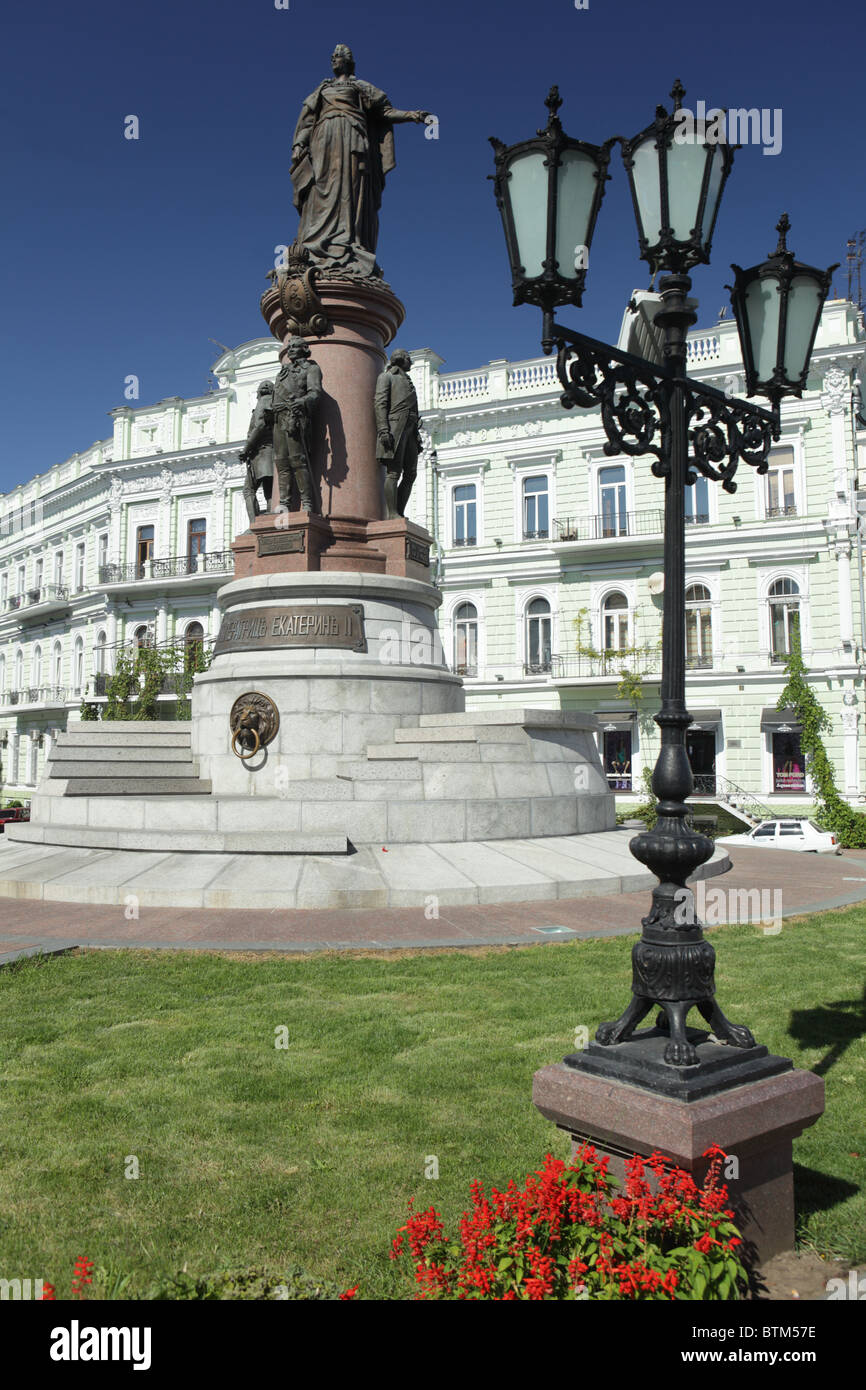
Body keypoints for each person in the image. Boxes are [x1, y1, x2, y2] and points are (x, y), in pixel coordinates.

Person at [291, 44, 429, 279]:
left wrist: (412, 115)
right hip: (323, 142)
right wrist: (299, 144)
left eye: (340, 56)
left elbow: (384, 112)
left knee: (351, 192)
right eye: (332, 56)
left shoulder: (360, 87)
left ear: (349, 62)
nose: (335, 59)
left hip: (353, 142)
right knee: (320, 191)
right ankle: (317, 247)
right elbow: (307, 120)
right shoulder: (323, 88)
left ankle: (347, 243)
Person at [271, 337, 322, 512]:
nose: (290, 349)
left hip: (296, 417)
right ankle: (284, 503)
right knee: (281, 462)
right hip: (279, 419)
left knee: (297, 460)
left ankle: (307, 502)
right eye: (289, 346)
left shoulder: (311, 368)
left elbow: (315, 393)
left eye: (295, 346)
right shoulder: (282, 372)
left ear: (304, 349)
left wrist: (301, 402)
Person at [374, 349, 422, 518]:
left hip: (411, 429)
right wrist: (383, 430)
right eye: (409, 358)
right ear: (400, 359)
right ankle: (393, 513)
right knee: (393, 472)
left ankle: (399, 510)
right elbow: (380, 404)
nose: (411, 362)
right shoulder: (387, 377)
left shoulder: (407, 380)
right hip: (395, 428)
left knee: (411, 473)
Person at [239, 381, 275, 524]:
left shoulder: (264, 401)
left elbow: (259, 425)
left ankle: (254, 525)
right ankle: (272, 520)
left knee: (248, 490)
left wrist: (246, 448)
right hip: (272, 451)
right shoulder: (274, 403)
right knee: (270, 490)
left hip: (261, 453)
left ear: (259, 393)